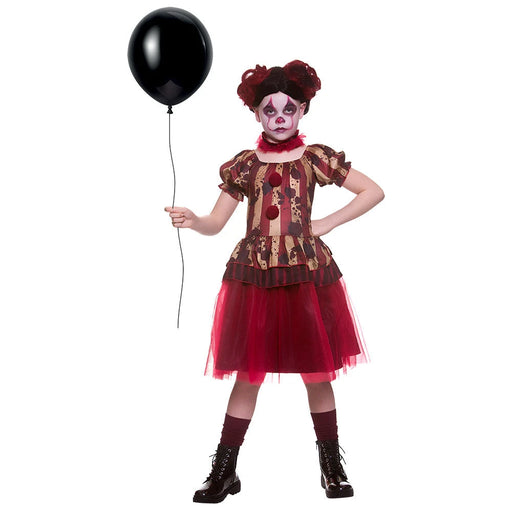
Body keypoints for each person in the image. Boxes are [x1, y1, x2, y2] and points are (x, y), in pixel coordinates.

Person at [165, 60, 384, 503]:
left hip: (305, 274)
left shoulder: (314, 158)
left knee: (317, 372)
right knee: (248, 374)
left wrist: (325, 223)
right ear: (256, 113)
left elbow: (373, 191)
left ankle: (331, 468)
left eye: (288, 109)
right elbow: (216, 222)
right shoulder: (245, 166)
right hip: (255, 276)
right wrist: (194, 220)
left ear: (303, 110)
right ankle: (224, 471)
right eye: (270, 110)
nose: (279, 118)